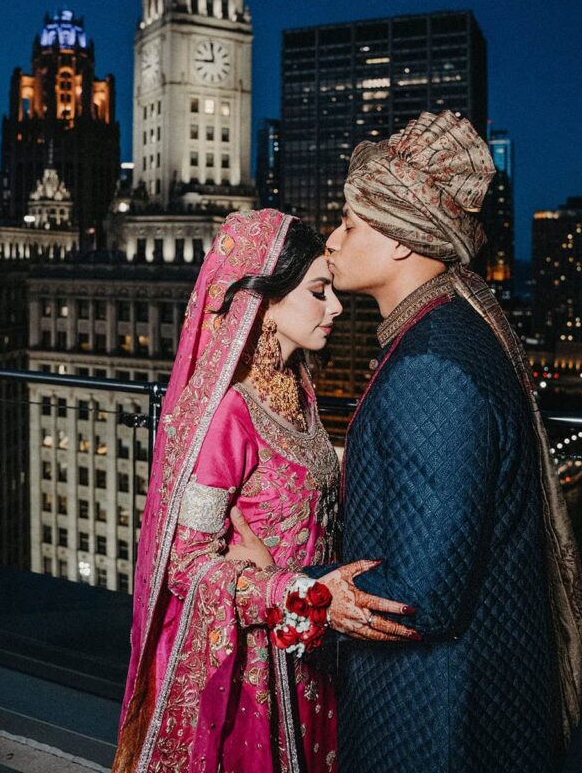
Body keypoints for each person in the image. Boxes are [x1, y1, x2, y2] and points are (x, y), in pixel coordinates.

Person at [312, 110, 582, 772]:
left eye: (349, 223)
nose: (331, 240)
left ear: (401, 240)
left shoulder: (431, 365)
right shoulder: (450, 329)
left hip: (433, 722)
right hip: (467, 708)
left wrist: (295, 583)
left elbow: (421, 597)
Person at [112, 209, 417, 773]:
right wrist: (292, 593)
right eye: (319, 292)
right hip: (253, 668)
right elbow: (184, 565)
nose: (336, 308)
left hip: (310, 647)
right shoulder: (232, 413)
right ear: (266, 303)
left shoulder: (299, 395)